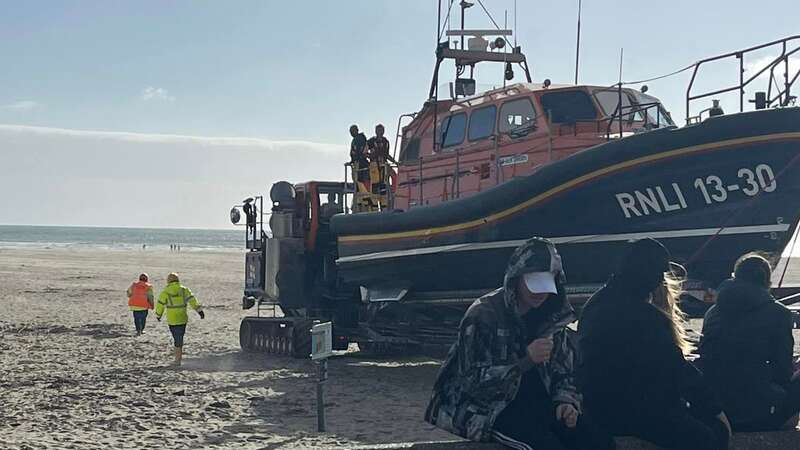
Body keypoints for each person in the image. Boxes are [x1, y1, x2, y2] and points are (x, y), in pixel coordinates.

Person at [425, 237, 615, 450]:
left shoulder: (555, 315)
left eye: (547, 284)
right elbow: (473, 385)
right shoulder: (483, 314)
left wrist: (566, 401)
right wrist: (525, 361)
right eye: (533, 284)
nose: (540, 293)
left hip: (539, 403)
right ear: (516, 279)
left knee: (598, 442)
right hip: (488, 411)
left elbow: (566, 370)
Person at [578, 238, 730, 450]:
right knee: (709, 436)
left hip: (598, 407)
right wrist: (714, 408)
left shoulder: (596, 303)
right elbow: (677, 368)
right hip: (632, 411)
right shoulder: (644, 316)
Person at [698, 253, 800, 431]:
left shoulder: (712, 313)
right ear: (767, 282)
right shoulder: (779, 313)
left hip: (716, 408)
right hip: (757, 413)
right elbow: (781, 372)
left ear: (734, 278)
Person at [155, 272, 204, 366]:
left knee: (176, 338)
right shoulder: (184, 290)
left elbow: (160, 305)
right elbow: (192, 300)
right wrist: (199, 311)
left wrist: (158, 315)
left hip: (172, 320)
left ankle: (177, 359)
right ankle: (178, 358)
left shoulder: (165, 292)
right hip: (182, 318)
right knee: (180, 337)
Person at [367, 124, 397, 195]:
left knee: (393, 175)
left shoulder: (385, 141)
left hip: (384, 164)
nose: (380, 132)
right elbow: (364, 152)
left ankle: (393, 193)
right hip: (374, 165)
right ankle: (375, 199)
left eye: (382, 130)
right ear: (375, 131)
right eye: (379, 130)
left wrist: (395, 162)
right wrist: (371, 156)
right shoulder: (371, 141)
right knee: (375, 183)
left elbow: (387, 155)